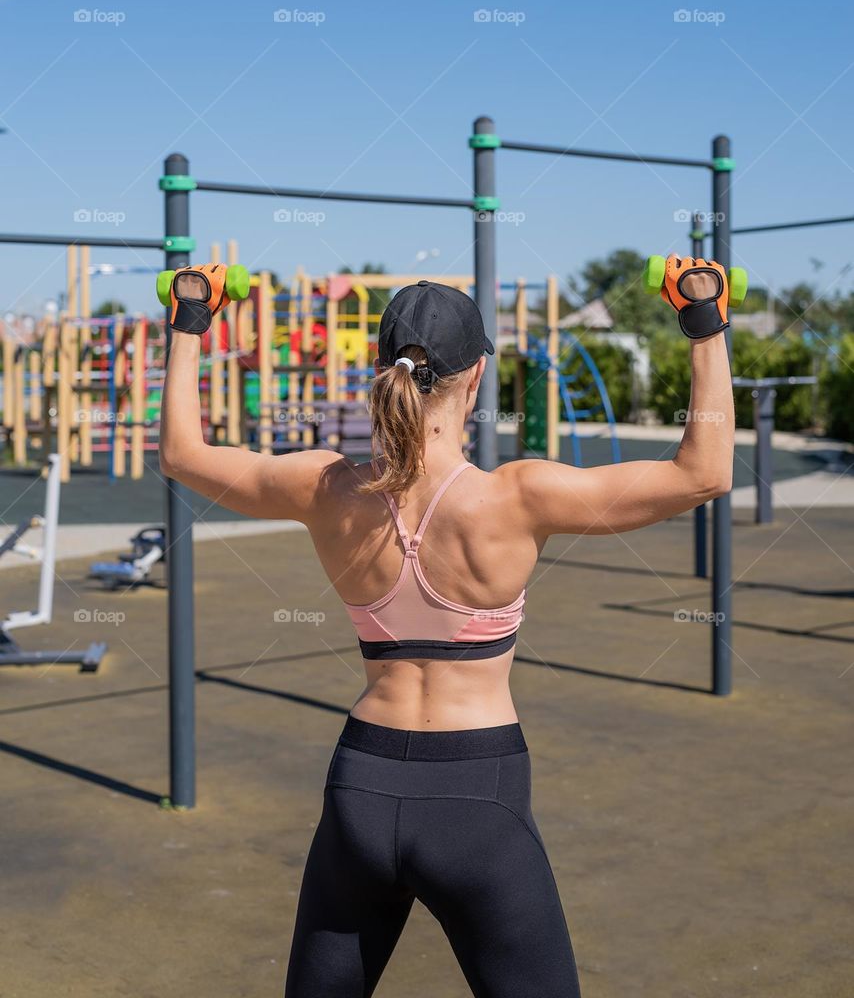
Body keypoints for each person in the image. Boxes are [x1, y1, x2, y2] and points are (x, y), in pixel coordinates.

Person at [159, 259, 734, 998]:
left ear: (383, 369)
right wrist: (703, 320)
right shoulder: (519, 498)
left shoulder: (326, 487)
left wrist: (190, 321)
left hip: (360, 787)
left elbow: (181, 454)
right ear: (477, 376)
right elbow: (704, 470)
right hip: (478, 797)